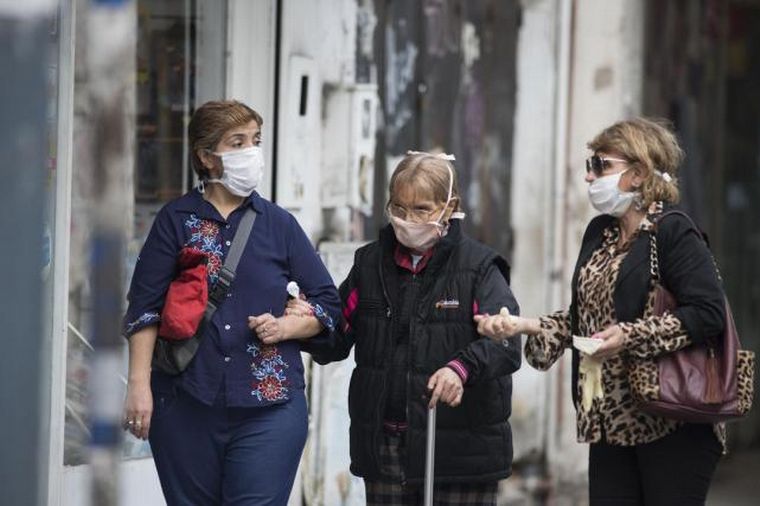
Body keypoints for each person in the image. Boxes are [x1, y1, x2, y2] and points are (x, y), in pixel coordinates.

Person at [475, 118, 726, 505]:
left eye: (601, 165)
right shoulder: (600, 233)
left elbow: (708, 313)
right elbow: (587, 320)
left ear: (638, 173)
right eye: (590, 165)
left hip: (672, 418)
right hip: (610, 420)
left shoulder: (673, 232)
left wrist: (629, 336)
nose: (589, 176)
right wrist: (525, 326)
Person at [122, 100, 340, 505]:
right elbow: (144, 309)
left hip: (271, 405)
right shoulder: (175, 221)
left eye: (255, 140)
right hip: (185, 402)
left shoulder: (279, 225)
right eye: (237, 142)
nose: (252, 152)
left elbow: (329, 304)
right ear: (207, 156)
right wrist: (138, 386)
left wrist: (288, 326)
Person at [288, 151, 522, 505]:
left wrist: (460, 368)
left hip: (461, 454)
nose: (408, 220)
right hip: (384, 448)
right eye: (399, 208)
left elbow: (505, 344)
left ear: (450, 206)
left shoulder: (479, 268)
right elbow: (337, 336)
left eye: (421, 209)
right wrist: (309, 320)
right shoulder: (369, 264)